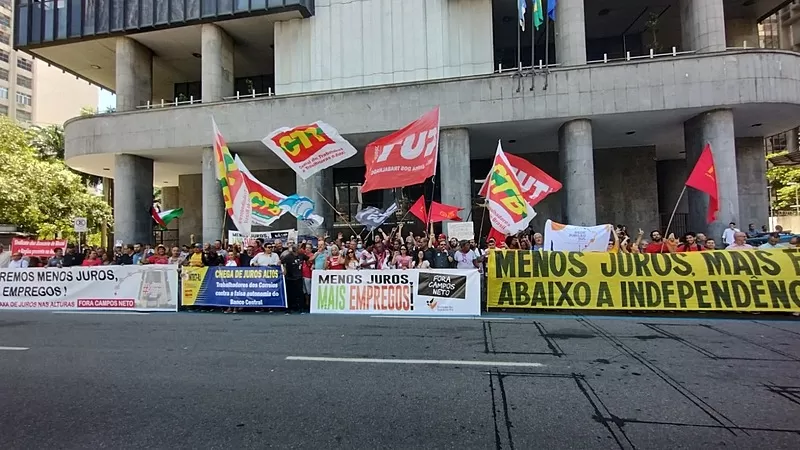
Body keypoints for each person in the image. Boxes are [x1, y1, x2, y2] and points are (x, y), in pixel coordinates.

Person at [281, 246, 307, 312]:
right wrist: (284, 268)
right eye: (298, 249)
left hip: (299, 277)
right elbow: (280, 262)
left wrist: (317, 254)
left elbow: (309, 259)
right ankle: (289, 308)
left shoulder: (302, 255)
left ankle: (301, 308)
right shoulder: (288, 256)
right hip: (290, 277)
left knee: (300, 293)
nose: (300, 250)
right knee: (290, 294)